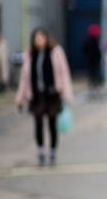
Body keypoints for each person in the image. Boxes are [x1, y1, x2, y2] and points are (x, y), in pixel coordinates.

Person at [16, 28, 73, 166]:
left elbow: (64, 73)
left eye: (42, 37)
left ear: (46, 38)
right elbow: (24, 78)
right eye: (37, 38)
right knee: (38, 123)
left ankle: (53, 152)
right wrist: (20, 98)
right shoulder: (29, 54)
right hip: (36, 95)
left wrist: (67, 95)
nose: (39, 40)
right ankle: (41, 151)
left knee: (52, 124)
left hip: (53, 94)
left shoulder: (56, 52)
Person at [83, 24, 102, 94]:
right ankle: (95, 86)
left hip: (90, 60)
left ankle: (92, 85)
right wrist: (99, 57)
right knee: (95, 73)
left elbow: (84, 49)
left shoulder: (87, 40)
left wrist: (87, 55)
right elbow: (98, 51)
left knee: (91, 73)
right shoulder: (95, 40)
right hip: (95, 60)